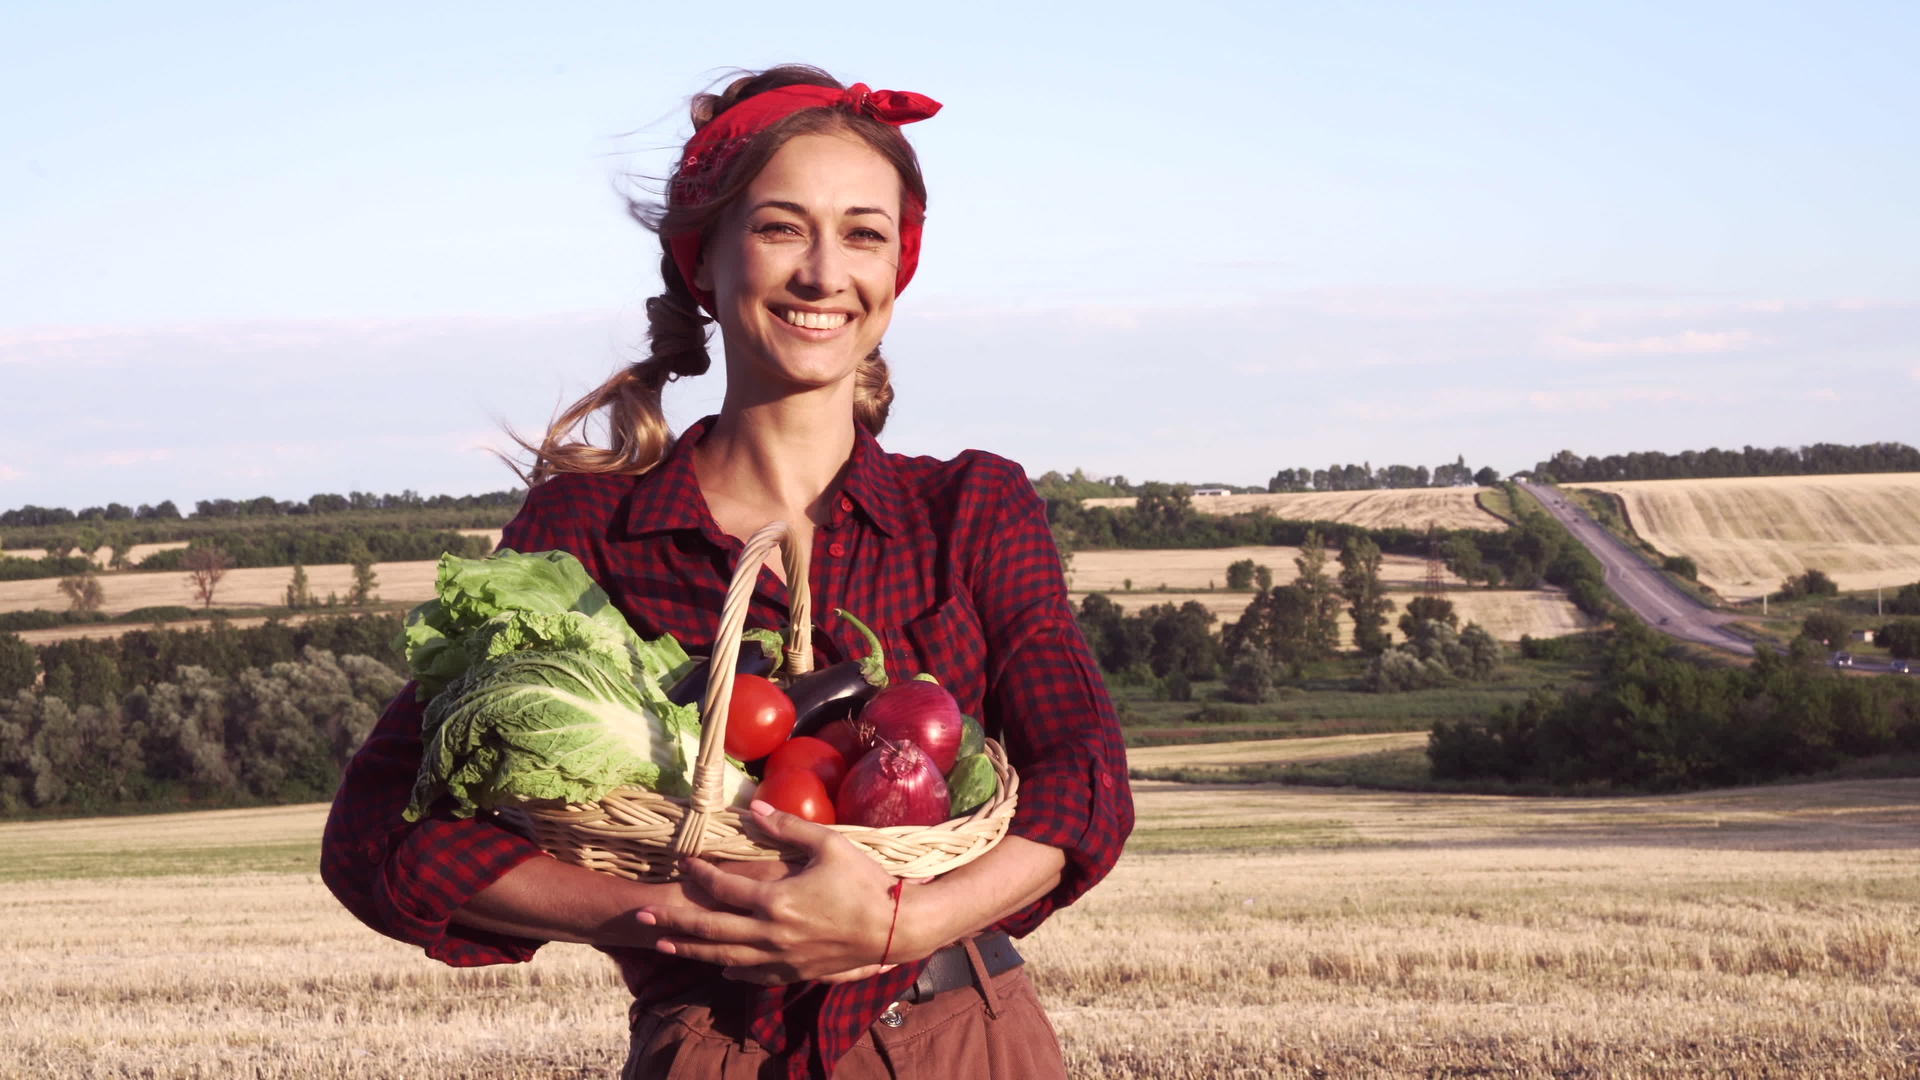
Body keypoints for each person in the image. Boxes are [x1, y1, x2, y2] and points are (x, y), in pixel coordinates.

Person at [320, 65, 1133, 1079]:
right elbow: (375, 834)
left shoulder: (971, 507)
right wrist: (678, 919)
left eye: (863, 233)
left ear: (897, 270)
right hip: (714, 1053)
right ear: (704, 256)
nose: (825, 273)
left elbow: (1084, 784)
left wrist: (896, 924)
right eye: (782, 227)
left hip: (963, 1039)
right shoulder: (592, 526)